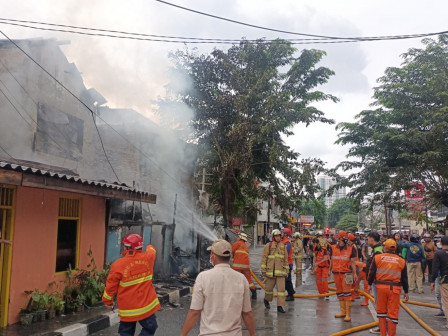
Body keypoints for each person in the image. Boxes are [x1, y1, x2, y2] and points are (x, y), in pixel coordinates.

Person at [180, 239, 256, 336]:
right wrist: (253, 334)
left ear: (213, 256)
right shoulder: (241, 279)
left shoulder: (203, 277)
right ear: (230, 256)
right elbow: (247, 313)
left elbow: (195, 312)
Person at [102, 234, 160, 336]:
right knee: (151, 328)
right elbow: (152, 249)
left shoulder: (118, 265)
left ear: (128, 247)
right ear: (139, 247)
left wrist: (108, 302)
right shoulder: (148, 257)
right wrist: (147, 246)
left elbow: (110, 286)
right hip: (146, 307)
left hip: (128, 309)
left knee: (126, 332)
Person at [368, 239, 409, 336]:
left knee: (381, 312)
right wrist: (406, 292)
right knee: (393, 314)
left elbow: (372, 272)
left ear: (385, 247)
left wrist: (369, 284)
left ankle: (383, 334)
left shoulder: (378, 258)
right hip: (395, 289)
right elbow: (404, 278)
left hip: (381, 288)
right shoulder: (401, 261)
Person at [331, 231, 358, 322]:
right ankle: (343, 312)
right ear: (340, 238)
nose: (347, 238)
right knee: (339, 292)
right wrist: (329, 271)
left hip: (346, 274)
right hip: (336, 273)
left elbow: (353, 262)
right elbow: (331, 260)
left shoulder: (351, 249)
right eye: (345, 237)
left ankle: (348, 314)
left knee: (347, 293)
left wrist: (355, 274)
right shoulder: (333, 248)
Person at [261, 229, 288, 313]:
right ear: (273, 237)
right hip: (270, 271)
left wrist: (287, 270)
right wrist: (263, 269)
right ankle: (266, 300)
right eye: (276, 236)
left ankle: (280, 306)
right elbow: (264, 258)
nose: (278, 237)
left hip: (280, 272)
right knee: (268, 289)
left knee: (281, 290)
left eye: (279, 236)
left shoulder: (283, 247)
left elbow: (286, 260)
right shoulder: (268, 246)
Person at [231, 232, 257, 299]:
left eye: (238, 236)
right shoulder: (245, 246)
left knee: (236, 279)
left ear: (240, 238)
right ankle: (254, 292)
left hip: (237, 266)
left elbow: (231, 250)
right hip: (246, 266)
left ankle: (237, 294)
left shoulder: (237, 243)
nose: (237, 238)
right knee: (248, 279)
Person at [431, 236, 448, 329]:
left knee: (445, 301)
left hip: (445, 280)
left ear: (441, 243)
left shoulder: (438, 253)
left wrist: (432, 280)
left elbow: (435, 268)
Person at [281, 228, 296, 301]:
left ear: (285, 234)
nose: (281, 233)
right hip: (285, 264)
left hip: (288, 264)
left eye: (282, 232)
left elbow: (285, 253)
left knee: (287, 280)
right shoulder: (283, 242)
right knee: (285, 280)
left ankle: (291, 295)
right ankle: (291, 293)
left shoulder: (287, 243)